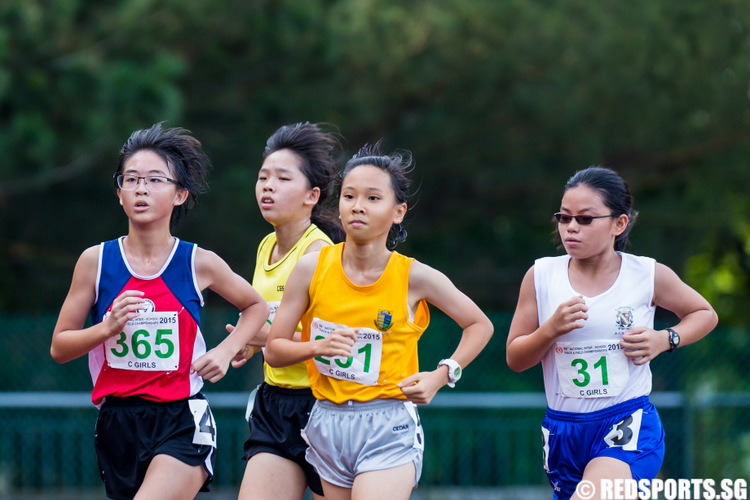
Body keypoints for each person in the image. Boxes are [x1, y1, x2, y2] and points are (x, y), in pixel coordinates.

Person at [50, 122, 269, 500]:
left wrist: (225, 350)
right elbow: (60, 346)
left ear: (180, 194)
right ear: (119, 193)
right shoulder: (95, 262)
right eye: (131, 179)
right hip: (117, 420)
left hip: (181, 418)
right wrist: (106, 327)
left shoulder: (198, 262)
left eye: (154, 180)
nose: (141, 188)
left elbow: (256, 306)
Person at [263, 142, 494, 500]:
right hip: (326, 421)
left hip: (388, 424)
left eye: (373, 198)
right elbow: (275, 351)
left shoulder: (415, 276)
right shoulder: (311, 267)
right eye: (349, 196)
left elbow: (480, 325)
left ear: (398, 211)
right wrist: (317, 347)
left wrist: (442, 374)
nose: (357, 206)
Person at [506, 166, 718, 500]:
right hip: (563, 431)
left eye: (585, 219)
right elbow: (516, 358)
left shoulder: (646, 274)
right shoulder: (541, 276)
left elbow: (704, 313)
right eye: (564, 217)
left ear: (618, 223)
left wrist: (665, 339)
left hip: (626, 423)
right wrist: (550, 330)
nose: (571, 227)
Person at [232, 122, 344, 500]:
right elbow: (266, 320)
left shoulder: (320, 255)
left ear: (312, 195)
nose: (267, 185)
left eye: (282, 178)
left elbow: (337, 343)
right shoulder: (266, 245)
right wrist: (249, 345)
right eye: (263, 177)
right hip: (274, 402)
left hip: (325, 405)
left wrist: (265, 338)